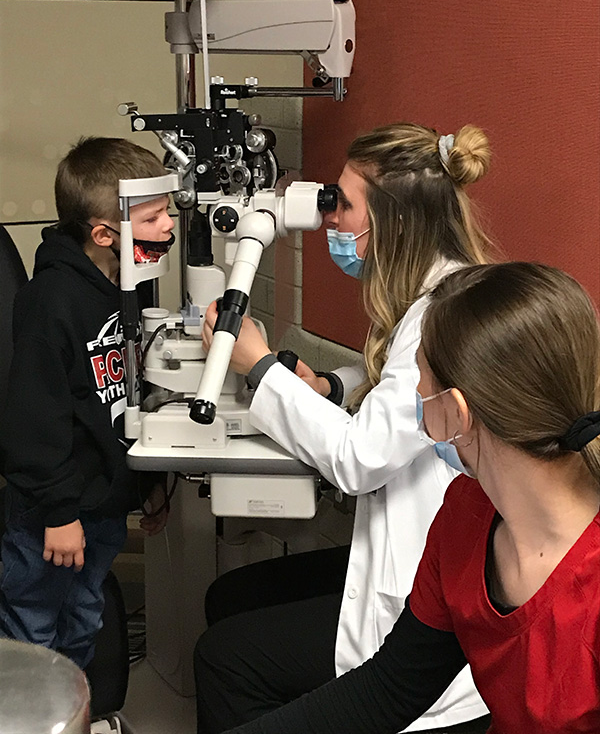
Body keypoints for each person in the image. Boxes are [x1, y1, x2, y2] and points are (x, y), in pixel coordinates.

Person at [195, 123, 493, 733]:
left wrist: (256, 368)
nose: (330, 218)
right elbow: (394, 384)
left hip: (416, 592)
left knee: (224, 658)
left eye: (343, 203)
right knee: (231, 599)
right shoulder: (443, 288)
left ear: (395, 223)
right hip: (407, 558)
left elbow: (361, 458)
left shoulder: (438, 315)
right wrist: (331, 386)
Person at [219, 261, 600, 734]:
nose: (413, 400)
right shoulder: (467, 515)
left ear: (455, 413)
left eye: (417, 384)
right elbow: (389, 688)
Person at [0, 136, 175, 669]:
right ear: (104, 234)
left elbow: (124, 396)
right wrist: (58, 513)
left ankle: (73, 716)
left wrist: (149, 485)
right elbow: (34, 420)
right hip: (51, 512)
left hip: (99, 502)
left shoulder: (126, 283)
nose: (168, 226)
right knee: (32, 629)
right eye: (152, 219)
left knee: (84, 619)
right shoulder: (50, 303)